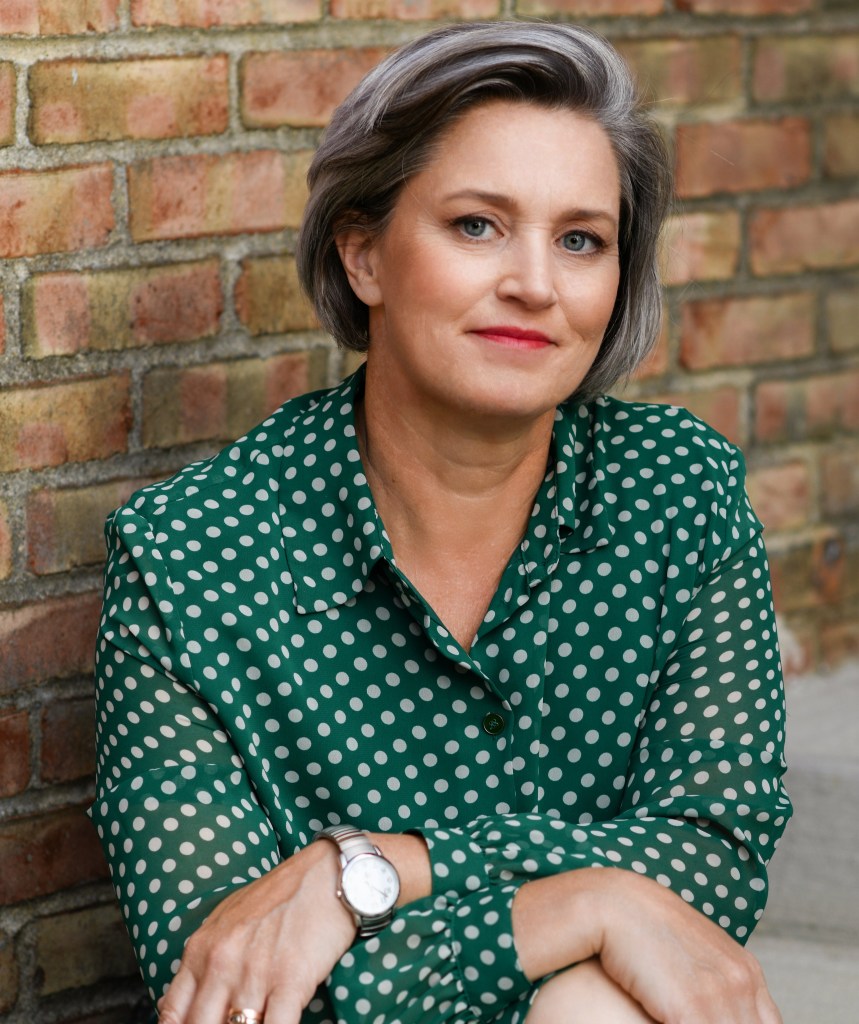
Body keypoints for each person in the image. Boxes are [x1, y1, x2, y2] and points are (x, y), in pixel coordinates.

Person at [90, 21, 791, 1024]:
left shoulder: (677, 494)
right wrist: (593, 900)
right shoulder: (194, 555)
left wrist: (372, 874)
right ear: (365, 255)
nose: (535, 285)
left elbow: (714, 848)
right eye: (476, 225)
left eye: (580, 239)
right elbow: (231, 982)